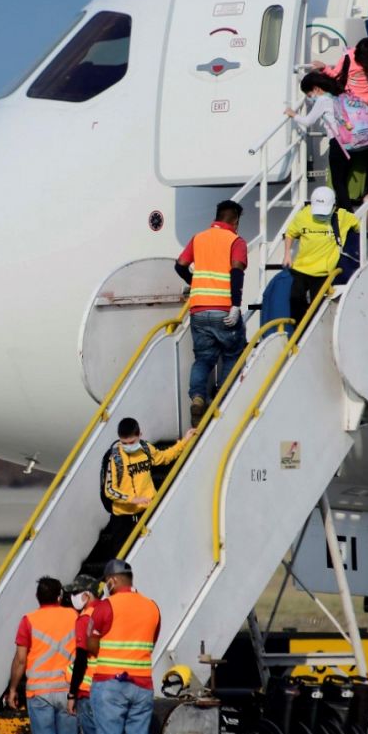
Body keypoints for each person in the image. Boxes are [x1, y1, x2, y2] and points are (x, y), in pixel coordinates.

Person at [81, 558, 161, 734]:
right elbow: (152, 640)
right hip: (142, 683)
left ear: (112, 581)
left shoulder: (105, 607)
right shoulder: (152, 607)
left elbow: (91, 646)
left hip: (110, 683)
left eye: (107, 582)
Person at [7, 577, 83, 734]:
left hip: (39, 692)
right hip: (68, 690)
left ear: (38, 597)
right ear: (60, 596)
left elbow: (21, 660)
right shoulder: (75, 617)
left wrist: (12, 689)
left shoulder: (28, 620)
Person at [89, 418, 195, 578]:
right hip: (123, 517)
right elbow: (109, 490)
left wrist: (184, 442)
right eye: (124, 443)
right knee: (120, 559)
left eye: (132, 442)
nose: (128, 446)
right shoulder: (115, 457)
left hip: (146, 511)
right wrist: (132, 499)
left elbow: (164, 457)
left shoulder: (146, 448)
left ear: (140, 435)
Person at [175, 200, 250, 426]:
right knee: (233, 354)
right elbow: (237, 272)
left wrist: (195, 282)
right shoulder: (235, 241)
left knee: (203, 359)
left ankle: (198, 398)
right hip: (224, 310)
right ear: (235, 220)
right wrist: (236, 305)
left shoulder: (199, 238)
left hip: (198, 310)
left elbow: (180, 265)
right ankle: (223, 397)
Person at [66, 574, 128, 734]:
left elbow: (82, 658)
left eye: (76, 593)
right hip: (112, 685)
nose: (72, 598)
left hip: (88, 690)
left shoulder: (85, 619)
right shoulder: (107, 611)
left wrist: (72, 693)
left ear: (86, 594)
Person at [285, 71, 368, 213]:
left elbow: (308, 121)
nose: (310, 98)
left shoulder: (323, 100)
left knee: (338, 181)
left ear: (316, 88)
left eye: (309, 94)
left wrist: (293, 114)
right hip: (352, 140)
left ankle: (347, 213)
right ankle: (346, 210)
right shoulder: (338, 96)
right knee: (343, 179)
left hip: (338, 143)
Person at [283, 186, 361, 326]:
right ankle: (299, 331)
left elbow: (362, 227)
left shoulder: (342, 216)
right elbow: (290, 233)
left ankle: (310, 332)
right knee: (295, 298)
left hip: (324, 273)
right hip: (301, 268)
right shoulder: (303, 215)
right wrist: (287, 254)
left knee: (317, 307)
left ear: (333, 206)